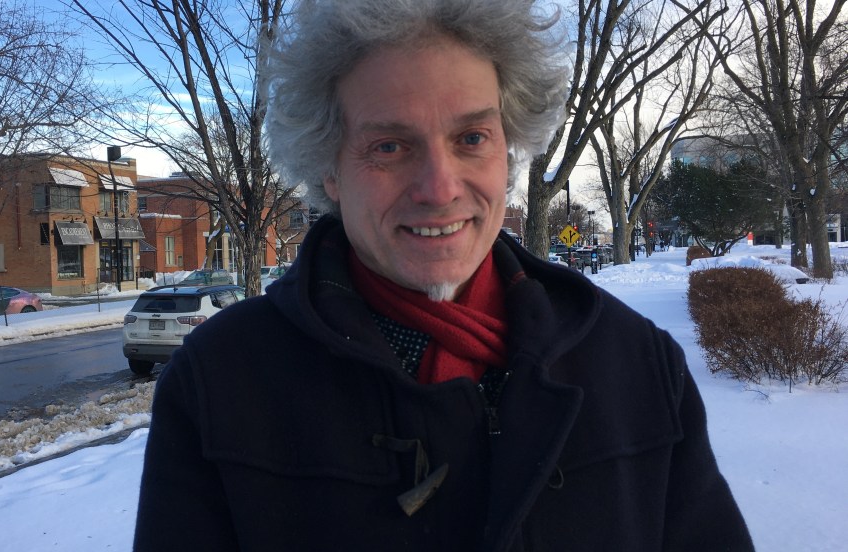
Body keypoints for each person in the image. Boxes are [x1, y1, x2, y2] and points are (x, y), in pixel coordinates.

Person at [134, 0, 754, 550]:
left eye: (472, 137)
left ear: (509, 149)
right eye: (389, 146)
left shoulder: (638, 366)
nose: (438, 188)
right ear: (329, 170)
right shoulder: (220, 385)